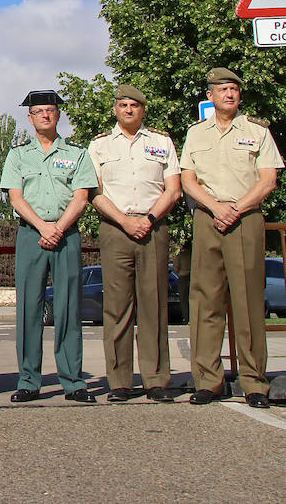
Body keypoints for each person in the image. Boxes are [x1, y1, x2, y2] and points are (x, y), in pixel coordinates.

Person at [180, 67, 284, 408]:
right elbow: (188, 180)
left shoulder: (257, 131)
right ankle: (208, 381)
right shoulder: (196, 134)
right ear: (210, 96)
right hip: (208, 219)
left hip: (245, 219)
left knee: (248, 302)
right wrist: (215, 207)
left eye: (234, 89)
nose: (229, 94)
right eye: (222, 89)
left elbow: (267, 180)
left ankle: (254, 382)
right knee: (205, 302)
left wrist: (236, 208)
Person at [0, 89, 98, 403]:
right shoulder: (18, 154)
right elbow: (15, 197)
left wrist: (58, 228)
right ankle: (29, 380)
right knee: (29, 308)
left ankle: (73, 381)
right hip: (31, 233)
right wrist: (43, 227)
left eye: (50, 110)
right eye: (39, 111)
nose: (45, 115)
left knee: (68, 306)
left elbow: (81, 196)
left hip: (66, 233)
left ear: (58, 115)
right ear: (30, 118)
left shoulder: (77, 153)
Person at [87, 85, 181, 402]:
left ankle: (156, 379)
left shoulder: (161, 142)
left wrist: (150, 220)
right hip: (116, 227)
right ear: (115, 109)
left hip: (153, 226)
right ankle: (120, 381)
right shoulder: (99, 145)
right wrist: (126, 221)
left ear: (143, 110)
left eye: (135, 105)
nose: (129, 110)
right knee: (117, 307)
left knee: (154, 304)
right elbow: (94, 192)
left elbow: (173, 189)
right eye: (123, 105)